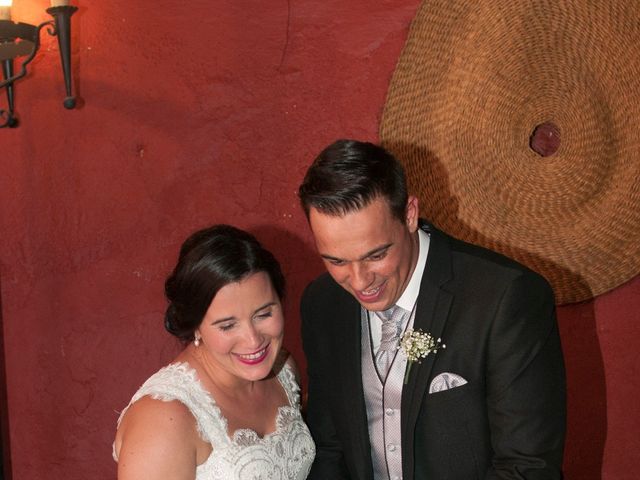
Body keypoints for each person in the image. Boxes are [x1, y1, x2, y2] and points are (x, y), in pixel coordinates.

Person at [298, 140, 566, 479]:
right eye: (336, 261)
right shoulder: (323, 304)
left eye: (376, 255)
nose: (359, 280)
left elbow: (528, 467)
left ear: (409, 214)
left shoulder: (505, 297)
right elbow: (330, 448)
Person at [113, 225, 315, 480]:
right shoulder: (163, 419)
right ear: (195, 325)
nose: (253, 340)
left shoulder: (283, 371)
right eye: (228, 325)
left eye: (264, 314)